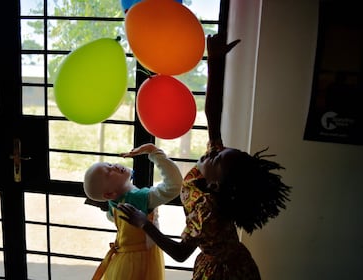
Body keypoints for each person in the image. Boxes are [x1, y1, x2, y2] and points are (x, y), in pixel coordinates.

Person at [117, 33, 292, 280]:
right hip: (230, 258)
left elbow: (180, 253)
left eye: (216, 158)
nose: (213, 151)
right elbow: (213, 114)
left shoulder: (208, 212)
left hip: (223, 273)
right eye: (219, 151)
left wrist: (143, 223)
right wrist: (215, 62)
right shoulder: (217, 173)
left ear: (215, 185)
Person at [83, 143, 183, 280]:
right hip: (140, 265)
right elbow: (174, 186)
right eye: (108, 172)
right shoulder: (139, 199)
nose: (115, 166)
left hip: (122, 262)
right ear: (110, 193)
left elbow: (110, 217)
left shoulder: (114, 205)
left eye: (110, 164)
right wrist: (154, 152)